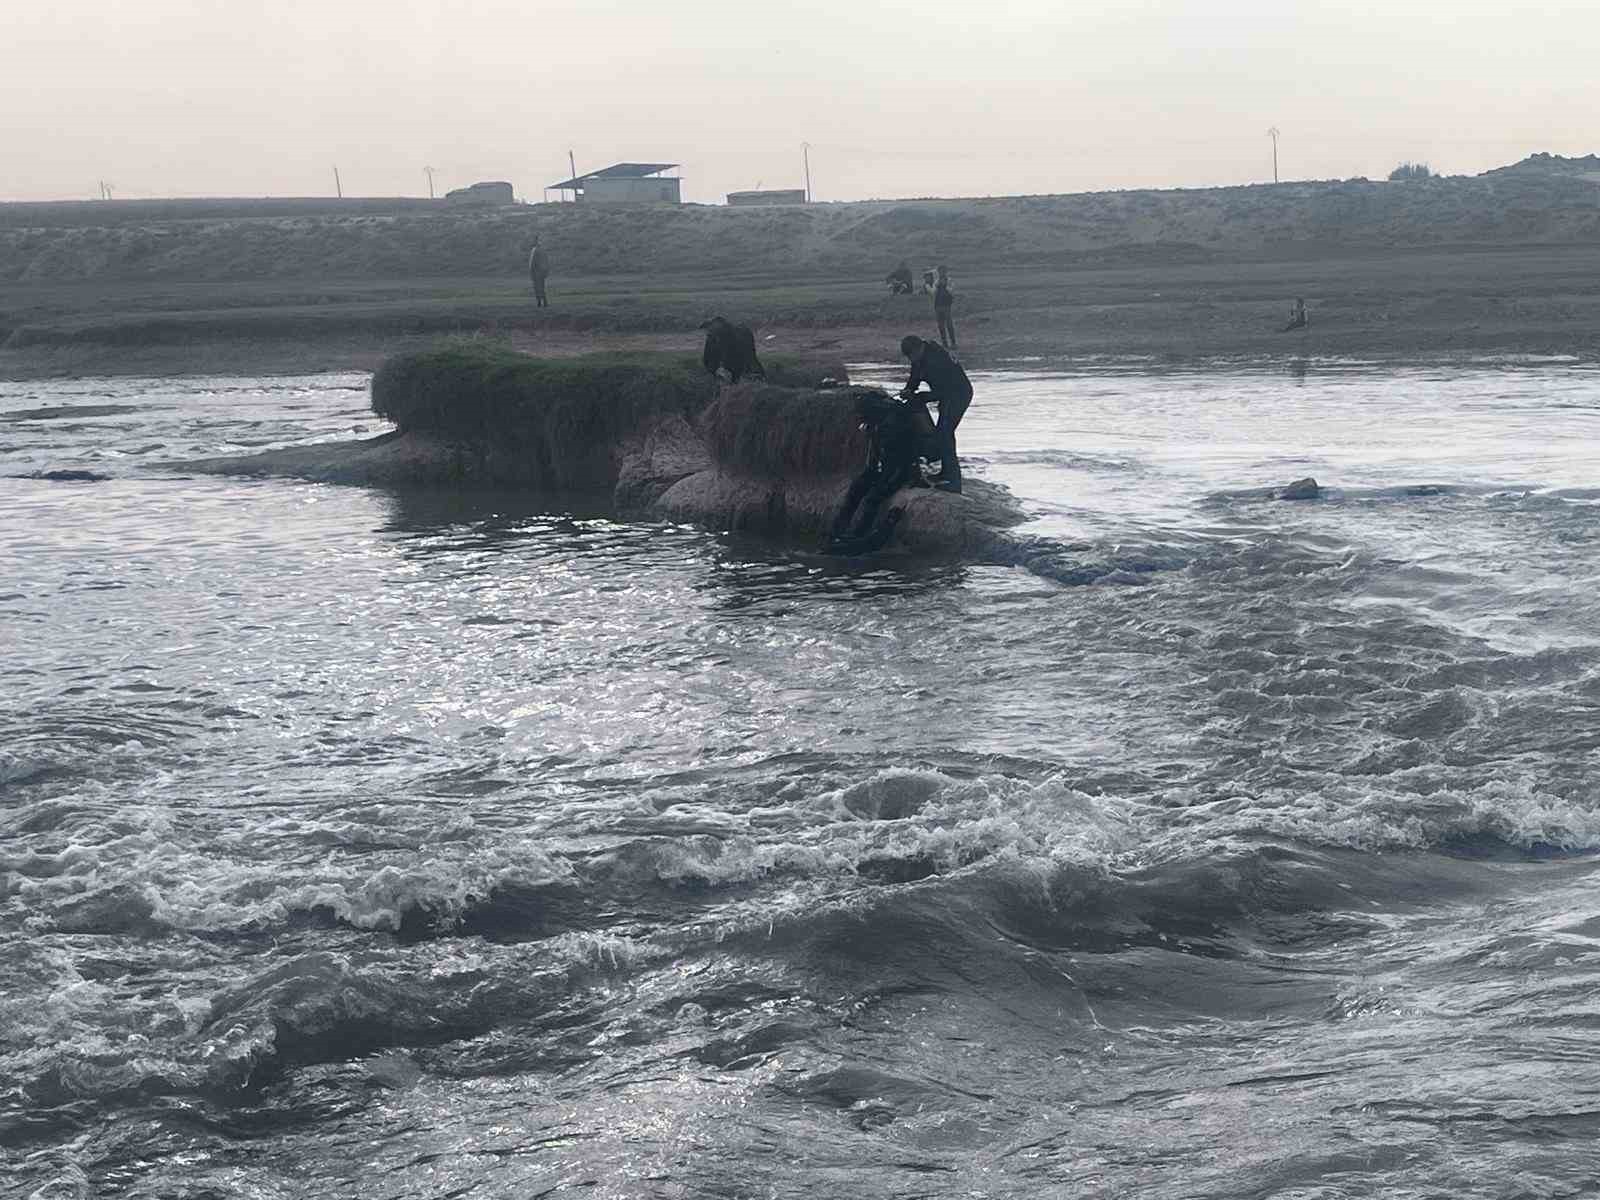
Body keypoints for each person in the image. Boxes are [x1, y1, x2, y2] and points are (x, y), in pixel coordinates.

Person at [830, 390, 925, 546]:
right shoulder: (877, 422)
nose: (860, 419)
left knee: (873, 499)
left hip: (900, 469)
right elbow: (874, 455)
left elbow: (898, 459)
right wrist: (869, 473)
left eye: (862, 415)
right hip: (883, 467)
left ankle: (858, 535)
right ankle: (837, 533)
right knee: (855, 490)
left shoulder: (894, 424)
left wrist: (882, 478)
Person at [900, 334, 972, 493]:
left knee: (944, 434)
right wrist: (908, 390)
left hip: (958, 394)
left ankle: (954, 482)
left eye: (911, 356)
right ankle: (946, 472)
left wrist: (921, 397)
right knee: (943, 432)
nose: (911, 360)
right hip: (948, 393)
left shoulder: (936, 360)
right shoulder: (921, 356)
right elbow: (915, 376)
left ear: (918, 349)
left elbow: (942, 392)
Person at [933, 264, 957, 350]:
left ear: (946, 272)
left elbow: (952, 292)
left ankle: (953, 343)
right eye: (940, 271)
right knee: (940, 326)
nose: (941, 273)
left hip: (946, 305)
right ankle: (945, 343)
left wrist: (945, 285)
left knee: (949, 325)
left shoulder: (949, 280)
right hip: (938, 305)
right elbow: (933, 293)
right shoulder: (936, 281)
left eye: (943, 271)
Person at [528, 236, 551, 308]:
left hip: (536, 272)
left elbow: (532, 263)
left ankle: (539, 303)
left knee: (537, 288)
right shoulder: (543, 250)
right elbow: (547, 261)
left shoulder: (534, 250)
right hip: (543, 272)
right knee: (542, 288)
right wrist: (547, 271)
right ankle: (545, 302)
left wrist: (531, 272)